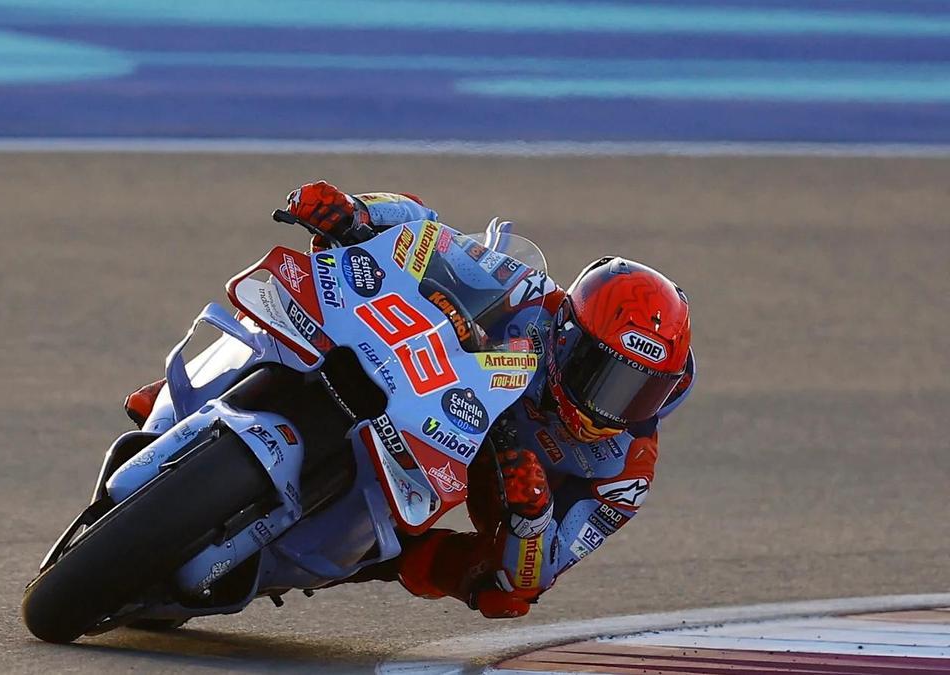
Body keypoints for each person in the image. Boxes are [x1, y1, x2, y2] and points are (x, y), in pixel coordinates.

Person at [125, 181, 695, 619]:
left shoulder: (625, 471)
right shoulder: (528, 297)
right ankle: (198, 396)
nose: (613, 406)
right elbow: (425, 229)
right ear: (569, 335)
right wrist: (355, 212)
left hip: (487, 475)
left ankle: (339, 555)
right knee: (311, 301)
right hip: (432, 397)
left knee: (505, 596)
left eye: (643, 390)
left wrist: (533, 515)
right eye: (606, 377)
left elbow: (538, 573)